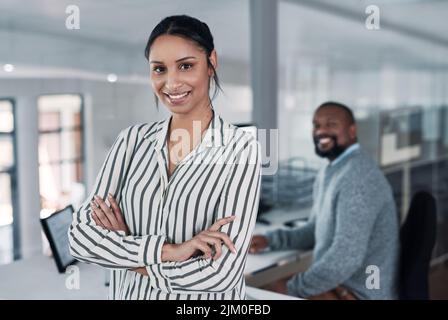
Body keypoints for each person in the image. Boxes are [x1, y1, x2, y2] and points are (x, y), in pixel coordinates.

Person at [68, 15, 261, 300]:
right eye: (159, 69)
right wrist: (171, 251)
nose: (171, 83)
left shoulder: (241, 149)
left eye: (186, 66)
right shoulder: (131, 140)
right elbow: (80, 238)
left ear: (212, 62)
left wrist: (127, 250)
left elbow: (221, 273)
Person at [250, 102, 400, 299]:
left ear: (352, 130)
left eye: (331, 124)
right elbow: (315, 230)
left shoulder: (358, 178)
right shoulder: (333, 169)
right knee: (265, 290)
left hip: (361, 292)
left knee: (260, 295)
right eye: (317, 125)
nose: (321, 131)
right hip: (342, 282)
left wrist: (291, 289)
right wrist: (270, 240)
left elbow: (344, 259)